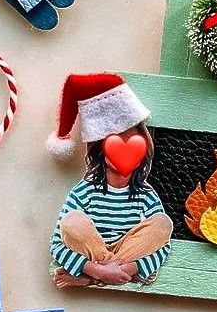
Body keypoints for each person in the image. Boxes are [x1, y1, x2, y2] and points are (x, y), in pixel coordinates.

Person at [47, 74, 173, 288]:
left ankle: (95, 280)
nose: (123, 148)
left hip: (128, 253)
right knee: (72, 221)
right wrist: (95, 267)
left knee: (163, 224)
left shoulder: (145, 193)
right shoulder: (86, 190)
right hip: (93, 252)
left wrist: (130, 268)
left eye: (131, 140)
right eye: (116, 141)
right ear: (100, 148)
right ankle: (103, 274)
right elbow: (57, 244)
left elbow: (163, 246)